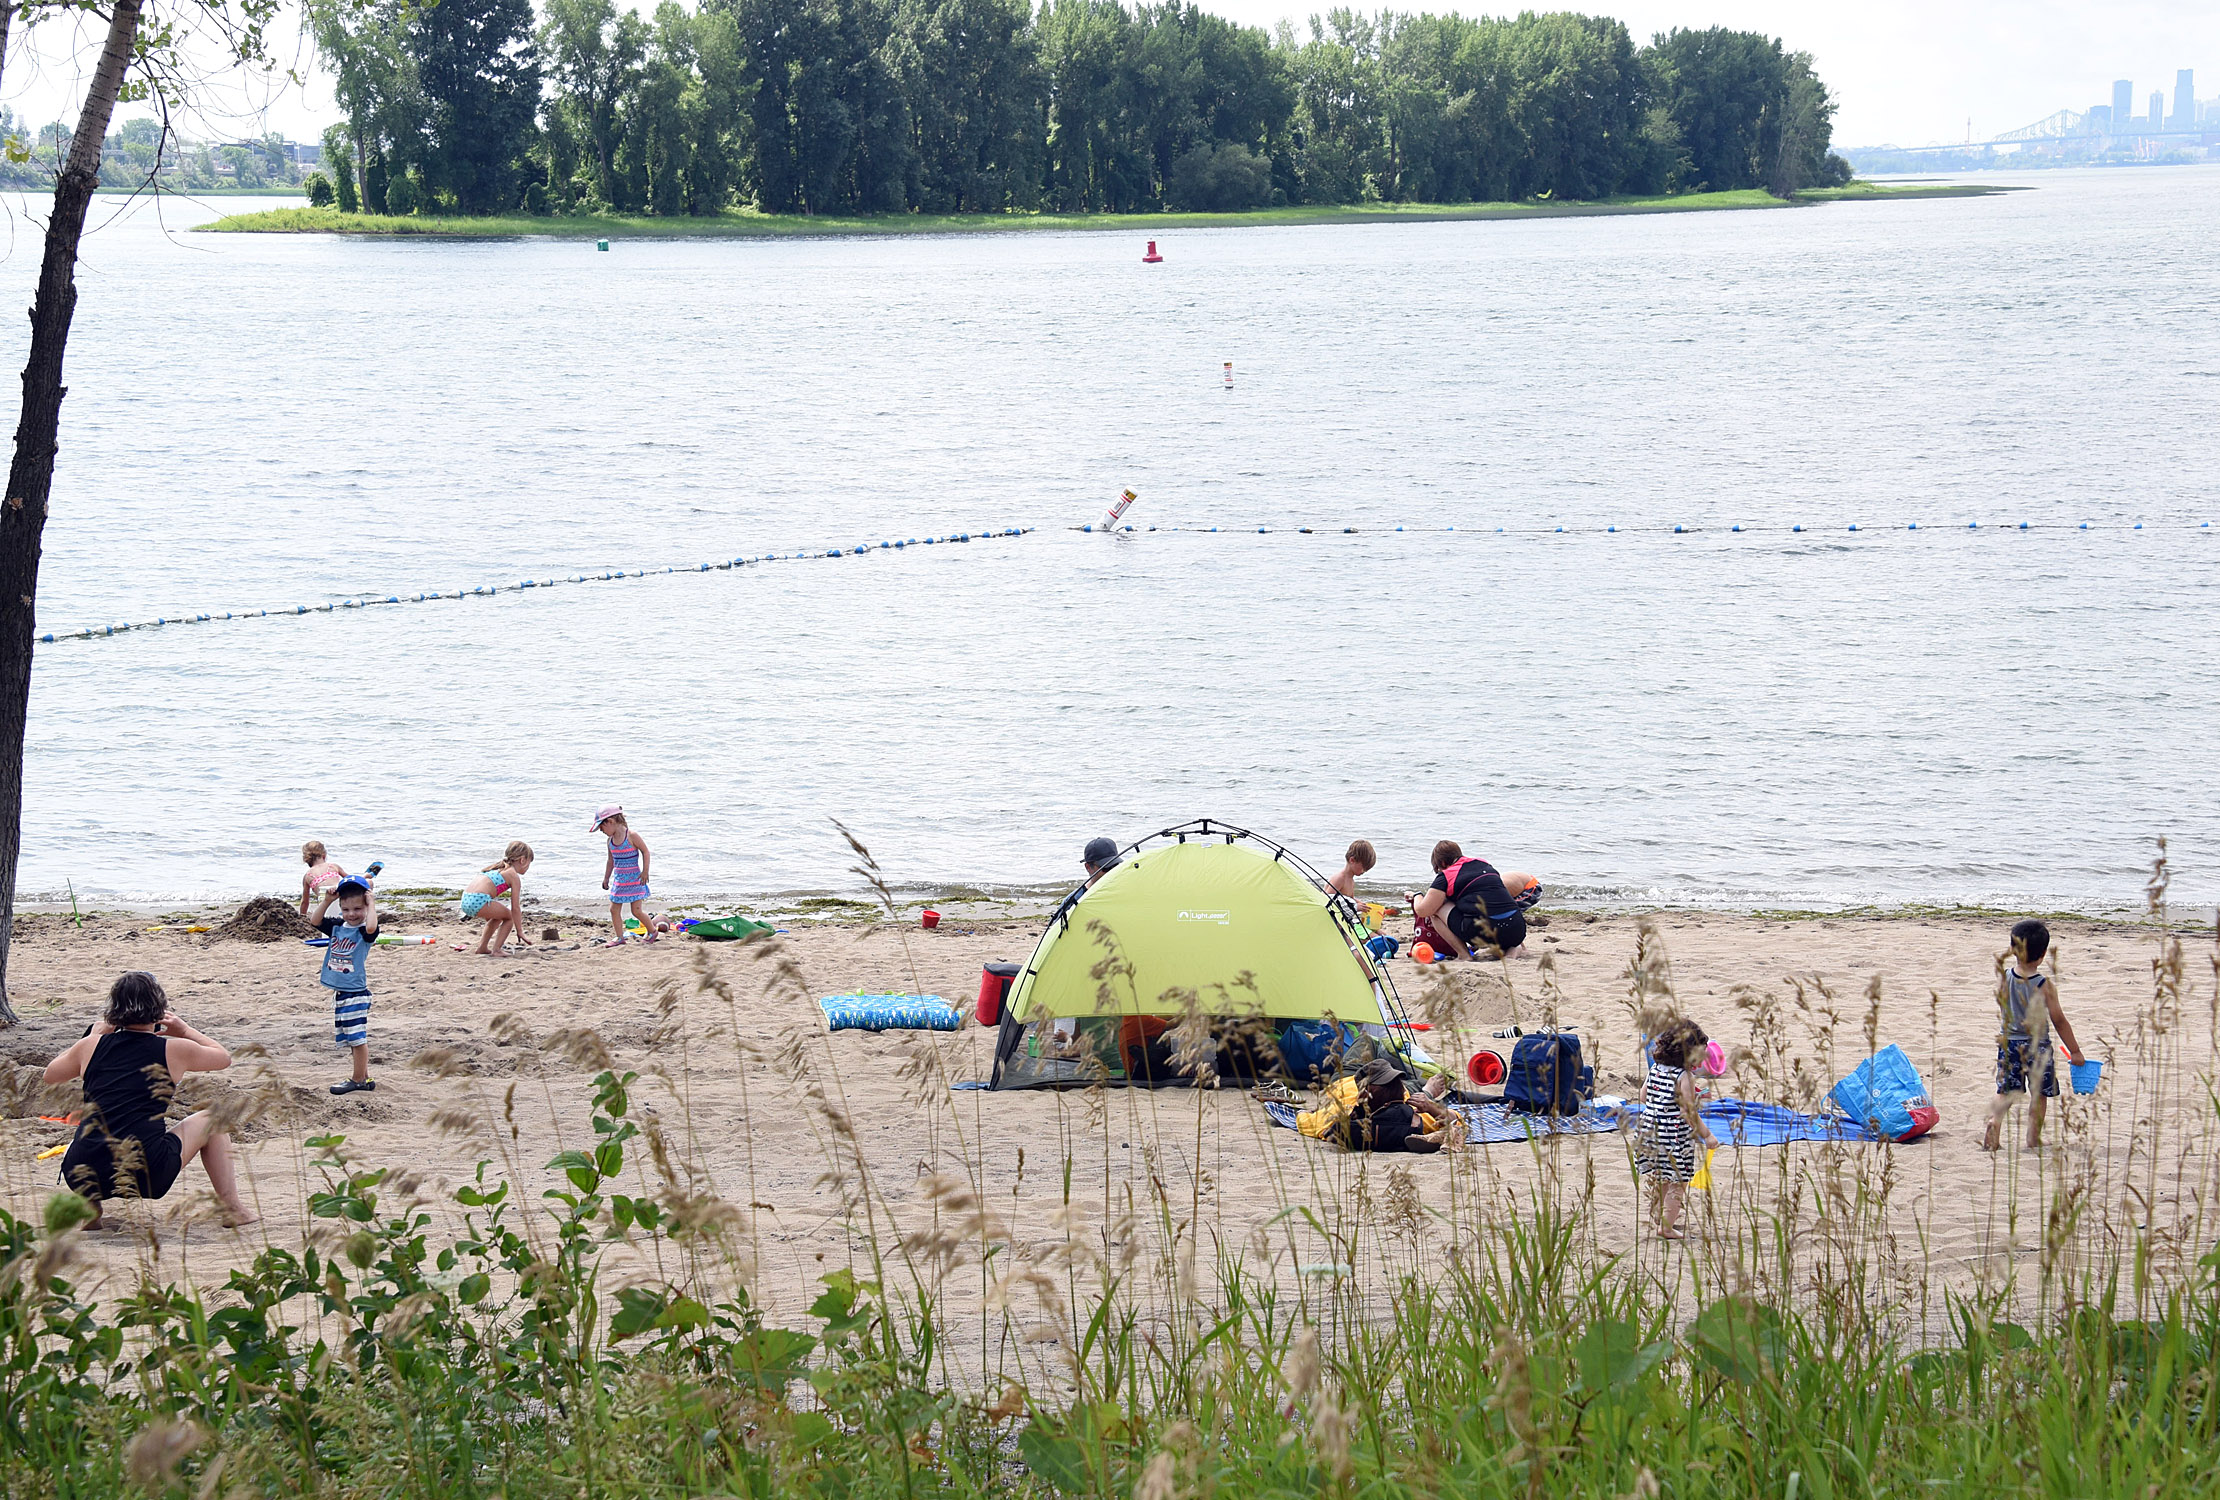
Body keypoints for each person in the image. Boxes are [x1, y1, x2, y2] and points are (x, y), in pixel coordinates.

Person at [41, 971, 255, 1228]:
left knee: (94, 1138)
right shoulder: (174, 1049)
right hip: (147, 1170)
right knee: (214, 1120)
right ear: (159, 1011)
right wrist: (185, 1030)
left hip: (83, 1170)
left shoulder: (91, 1046)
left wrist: (90, 1037)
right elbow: (223, 1058)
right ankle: (233, 1209)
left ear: (113, 1013)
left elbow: (50, 1076)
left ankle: (90, 1207)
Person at [1985, 919, 2086, 1153]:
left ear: (2013, 950)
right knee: (2039, 1093)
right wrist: (2075, 1050)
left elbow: (2002, 1005)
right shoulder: (2044, 985)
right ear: (2042, 955)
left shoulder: (2006, 977)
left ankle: (1994, 1123)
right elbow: (2059, 1019)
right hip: (2037, 1045)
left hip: (2009, 1042)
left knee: (2007, 1091)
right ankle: (2033, 1138)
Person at [1635, 1017, 1722, 1241]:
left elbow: (1643, 1096)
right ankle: (1666, 1227)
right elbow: (1688, 1113)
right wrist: (1708, 1135)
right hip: (1673, 1135)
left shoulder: (1656, 1068)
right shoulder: (1685, 1076)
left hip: (1649, 1130)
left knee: (1662, 1175)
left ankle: (1659, 1214)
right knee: (1679, 1180)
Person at [1407, 841, 1540, 961]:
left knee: (1435, 911)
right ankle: (1513, 949)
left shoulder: (1446, 875)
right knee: (1500, 908)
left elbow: (1423, 910)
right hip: (1517, 929)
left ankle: (1464, 955)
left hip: (1482, 932)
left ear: (1442, 864)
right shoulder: (1483, 863)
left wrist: (1417, 895)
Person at [320, 877, 379, 1095]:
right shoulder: (338, 926)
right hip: (341, 991)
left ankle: (357, 1080)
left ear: (365, 908)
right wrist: (327, 901)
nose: (351, 914)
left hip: (356, 992)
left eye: (357, 908)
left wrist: (372, 903)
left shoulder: (365, 931)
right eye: (345, 909)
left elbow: (372, 926)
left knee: (357, 1038)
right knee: (350, 1037)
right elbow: (314, 921)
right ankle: (364, 1076)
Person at [596, 806, 659, 944]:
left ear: (610, 821)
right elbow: (610, 860)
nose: (602, 832)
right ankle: (620, 937)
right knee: (613, 909)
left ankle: (652, 931)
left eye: (602, 828)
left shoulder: (631, 836)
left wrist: (645, 871)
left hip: (635, 879)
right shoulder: (610, 841)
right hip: (619, 880)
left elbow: (645, 852)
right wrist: (606, 878)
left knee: (636, 911)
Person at [462, 841, 534, 956]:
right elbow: (515, 907)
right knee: (509, 917)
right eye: (529, 863)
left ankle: (482, 947)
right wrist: (520, 931)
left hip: (466, 899)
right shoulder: (512, 875)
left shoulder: (497, 868)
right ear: (522, 860)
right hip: (478, 900)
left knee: (499, 917)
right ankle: (496, 950)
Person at [298, 841, 346, 916]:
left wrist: (302, 916)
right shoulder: (333, 866)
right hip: (340, 896)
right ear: (324, 855)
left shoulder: (308, 876)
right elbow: (350, 879)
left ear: (306, 860)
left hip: (324, 903)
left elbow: (305, 902)